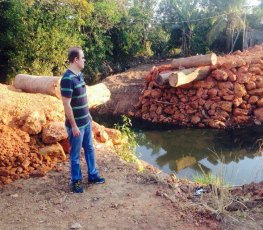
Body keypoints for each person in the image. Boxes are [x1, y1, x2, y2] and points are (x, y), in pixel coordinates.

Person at [60, 47, 105, 193]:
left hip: (85, 121)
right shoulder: (67, 79)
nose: (84, 60)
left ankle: (92, 175)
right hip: (76, 126)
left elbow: (82, 99)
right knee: (75, 155)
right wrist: (73, 126)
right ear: (75, 60)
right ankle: (76, 181)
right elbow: (66, 104)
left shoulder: (79, 75)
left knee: (90, 149)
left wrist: (89, 115)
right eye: (83, 57)